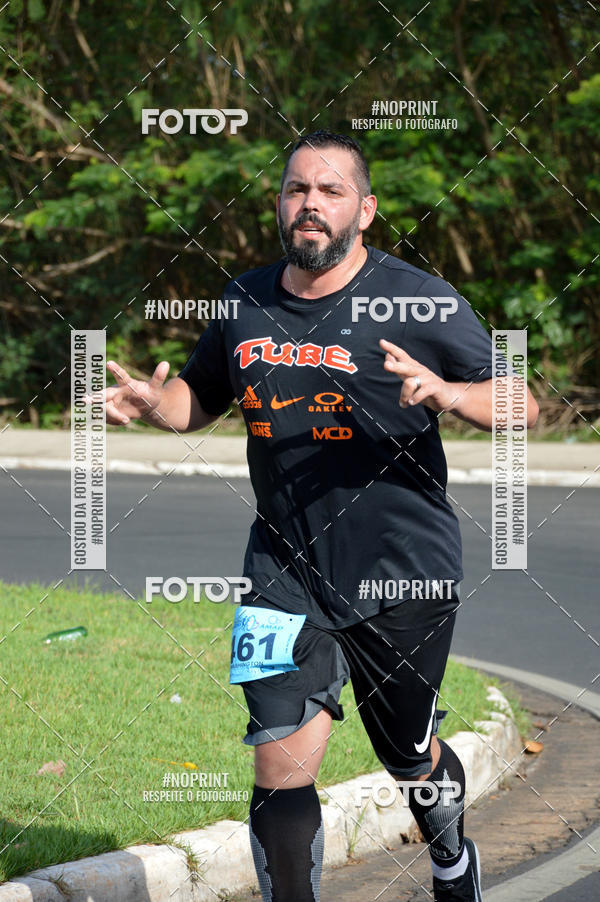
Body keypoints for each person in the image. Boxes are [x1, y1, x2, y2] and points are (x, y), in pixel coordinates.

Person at [102, 130, 539, 902]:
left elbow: (522, 402)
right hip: (282, 569)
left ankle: (450, 862)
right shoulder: (244, 300)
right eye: (297, 189)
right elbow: (199, 397)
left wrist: (451, 395)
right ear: (279, 203)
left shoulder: (418, 299)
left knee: (408, 752)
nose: (310, 204)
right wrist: (157, 406)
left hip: (404, 570)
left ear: (363, 211)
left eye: (330, 191)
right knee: (279, 758)